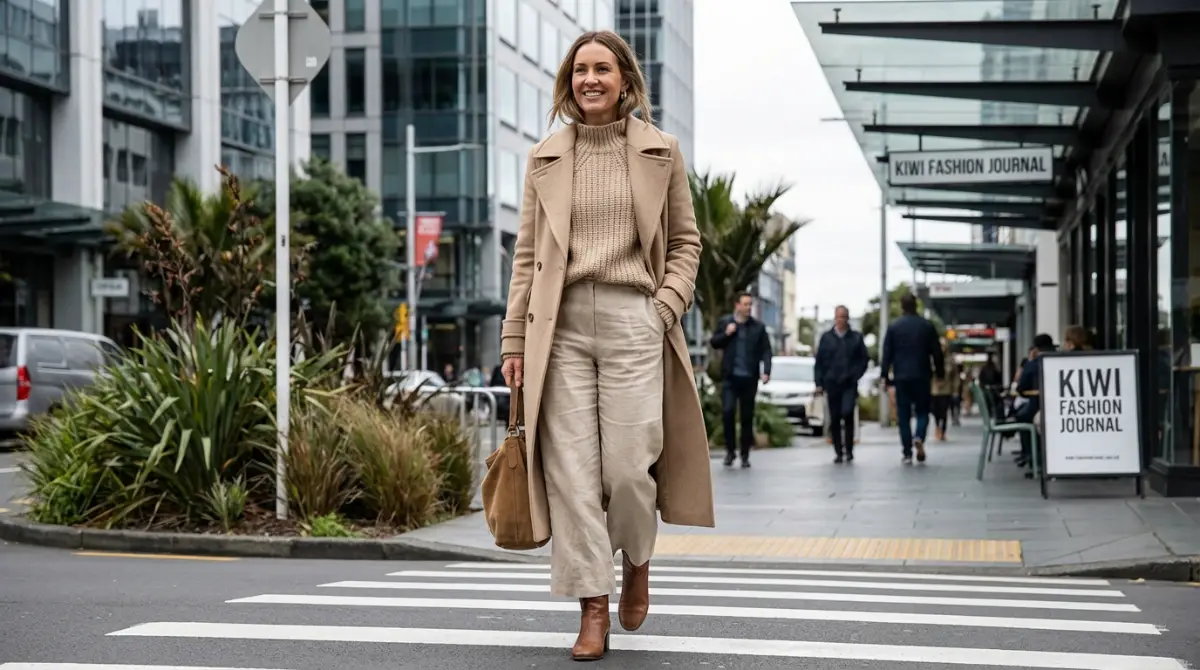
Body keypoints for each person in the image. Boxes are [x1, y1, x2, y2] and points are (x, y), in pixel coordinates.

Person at [498, 30, 713, 662]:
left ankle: (637, 557)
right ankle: (592, 604)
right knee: (572, 475)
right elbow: (528, 257)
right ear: (568, 81)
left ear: (624, 80)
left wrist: (663, 309)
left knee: (627, 466)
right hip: (558, 327)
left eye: (603, 69)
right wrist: (514, 338)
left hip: (633, 320)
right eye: (581, 70)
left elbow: (686, 243)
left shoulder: (660, 152)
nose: (591, 79)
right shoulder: (545, 157)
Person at [710, 292, 774, 468]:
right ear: (737, 305)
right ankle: (730, 451)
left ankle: (745, 454)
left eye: (750, 304)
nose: (748, 308)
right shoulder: (726, 323)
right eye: (745, 304)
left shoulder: (758, 328)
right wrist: (726, 333)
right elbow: (714, 342)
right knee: (728, 412)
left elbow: (766, 351)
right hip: (730, 378)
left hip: (749, 378)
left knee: (747, 416)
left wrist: (766, 371)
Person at [880, 293, 944, 465]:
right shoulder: (927, 326)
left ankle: (907, 452)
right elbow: (936, 352)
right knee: (923, 411)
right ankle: (919, 437)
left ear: (902, 307)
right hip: (922, 375)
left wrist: (885, 375)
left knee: (904, 414)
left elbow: (887, 354)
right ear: (916, 306)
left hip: (901, 377)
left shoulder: (894, 327)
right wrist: (940, 373)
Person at [814, 305, 869, 463]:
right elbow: (819, 363)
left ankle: (850, 449)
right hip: (832, 384)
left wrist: (855, 375)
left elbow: (863, 360)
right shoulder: (826, 338)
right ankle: (838, 451)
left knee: (848, 413)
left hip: (849, 383)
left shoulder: (856, 338)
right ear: (834, 318)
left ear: (847, 318)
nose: (841, 320)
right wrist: (819, 383)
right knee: (835, 417)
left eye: (844, 317)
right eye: (838, 317)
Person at [930, 338, 960, 442]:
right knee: (935, 411)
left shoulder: (950, 360)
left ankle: (942, 432)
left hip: (946, 390)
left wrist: (956, 389)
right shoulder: (931, 359)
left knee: (944, 411)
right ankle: (937, 427)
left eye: (944, 346)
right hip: (934, 390)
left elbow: (955, 376)